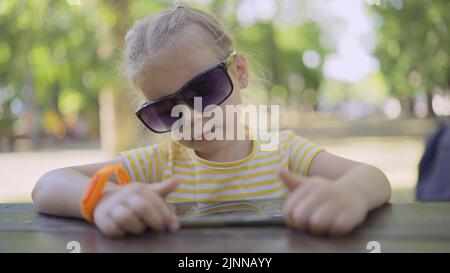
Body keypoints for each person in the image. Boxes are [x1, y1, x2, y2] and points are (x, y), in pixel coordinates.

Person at [32, 4, 391, 237]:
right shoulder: (159, 164)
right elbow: (48, 184)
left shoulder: (284, 152)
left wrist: (350, 194)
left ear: (239, 71)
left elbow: (372, 177)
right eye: (163, 108)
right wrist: (104, 199)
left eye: (204, 87)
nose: (188, 116)